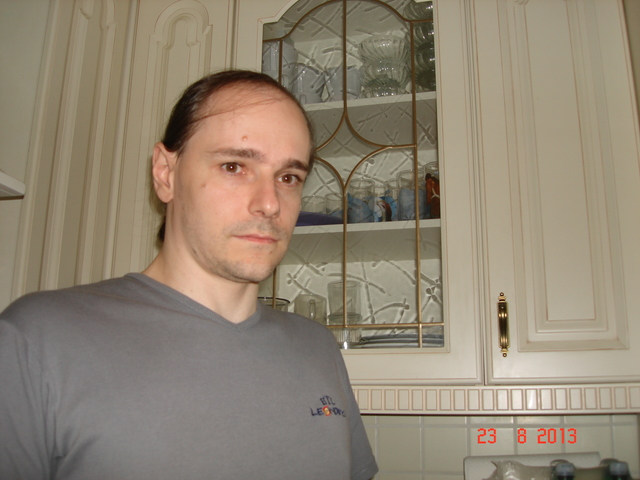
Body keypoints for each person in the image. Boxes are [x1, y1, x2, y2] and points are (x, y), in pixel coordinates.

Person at [0, 70, 378, 480]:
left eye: (288, 177)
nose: (270, 204)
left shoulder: (318, 347)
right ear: (166, 173)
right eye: (234, 166)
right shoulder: (36, 339)